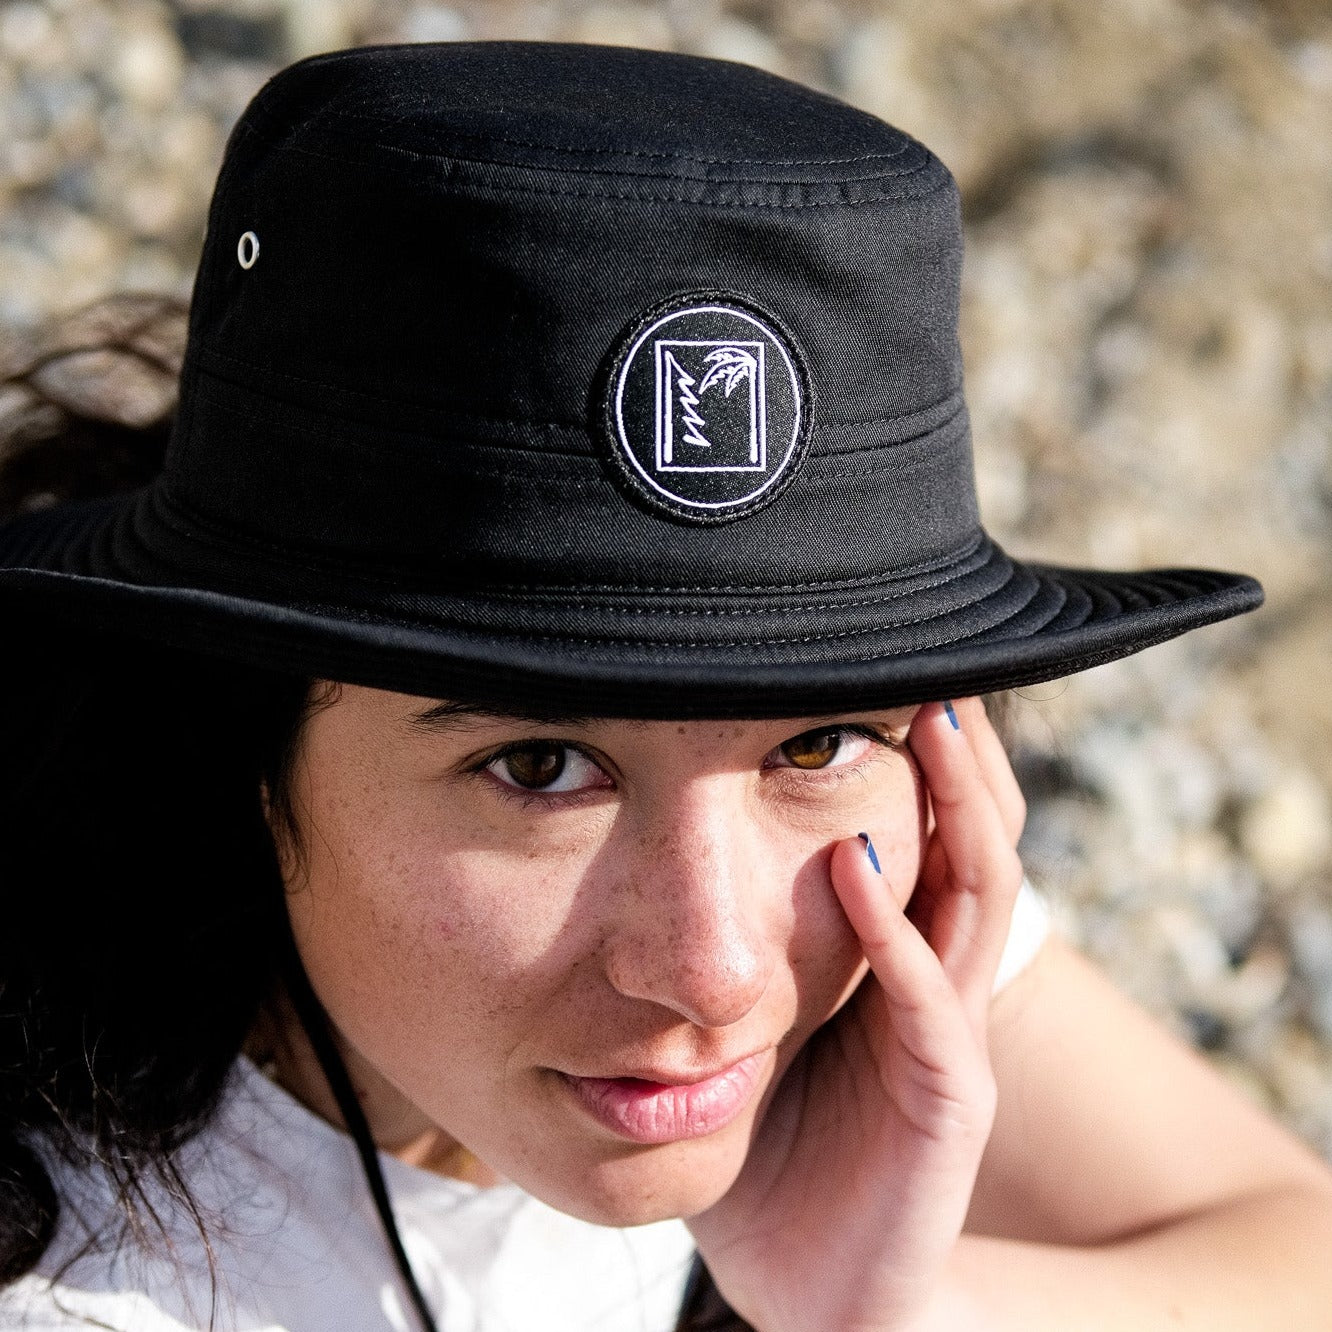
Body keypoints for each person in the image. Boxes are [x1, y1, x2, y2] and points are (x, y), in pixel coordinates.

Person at [0, 39, 1329, 1332]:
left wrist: (891, 1309)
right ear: (243, 734)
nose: (718, 971)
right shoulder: (65, 1276)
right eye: (540, 767)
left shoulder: (869, 906)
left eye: (817, 741)